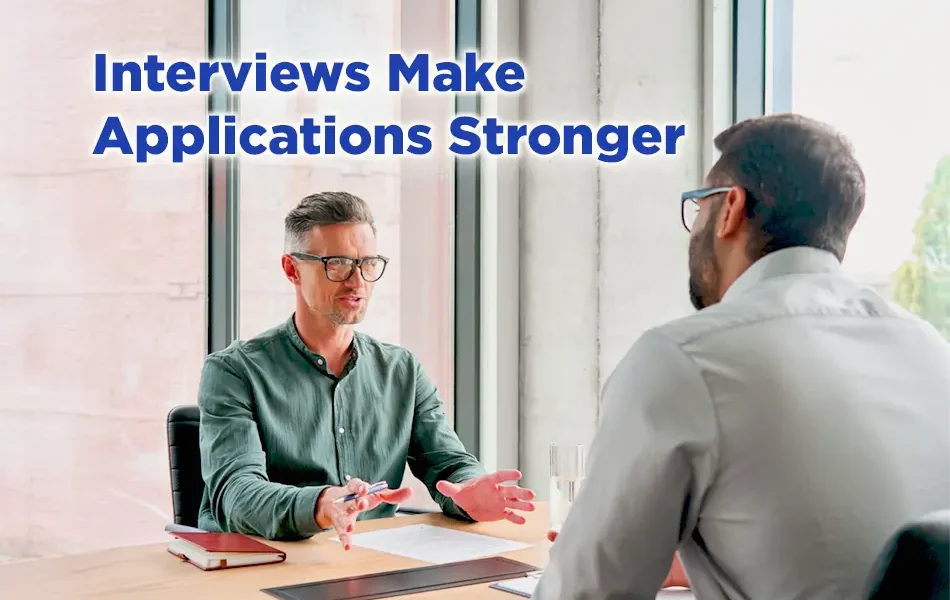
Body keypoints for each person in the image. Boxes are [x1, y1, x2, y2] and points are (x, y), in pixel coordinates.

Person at [534, 113, 950, 599]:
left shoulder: (685, 359)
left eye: (699, 207)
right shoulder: (930, 350)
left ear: (730, 207)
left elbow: (583, 595)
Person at [196, 191, 535, 549]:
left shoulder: (402, 370)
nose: (358, 281)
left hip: (369, 564)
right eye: (338, 263)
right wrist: (321, 505)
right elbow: (235, 494)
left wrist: (468, 490)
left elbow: (449, 464)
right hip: (264, 569)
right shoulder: (234, 372)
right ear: (292, 269)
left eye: (368, 263)